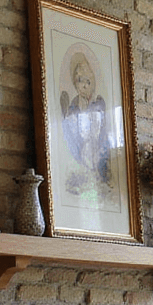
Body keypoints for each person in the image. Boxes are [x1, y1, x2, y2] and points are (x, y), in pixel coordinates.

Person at [59, 50, 111, 196]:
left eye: (88, 82)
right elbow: (70, 128)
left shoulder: (98, 103)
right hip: (83, 147)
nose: (84, 86)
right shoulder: (74, 105)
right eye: (80, 82)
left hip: (97, 145)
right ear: (75, 84)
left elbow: (103, 129)